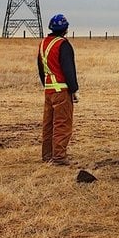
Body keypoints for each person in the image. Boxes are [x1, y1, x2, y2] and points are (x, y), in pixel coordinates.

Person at [37, 13, 79, 166]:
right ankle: (59, 157)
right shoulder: (63, 44)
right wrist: (74, 89)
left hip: (49, 90)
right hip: (62, 90)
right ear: (66, 29)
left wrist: (47, 85)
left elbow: (41, 69)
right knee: (62, 124)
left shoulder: (43, 43)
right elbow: (69, 69)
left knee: (48, 124)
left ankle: (47, 155)